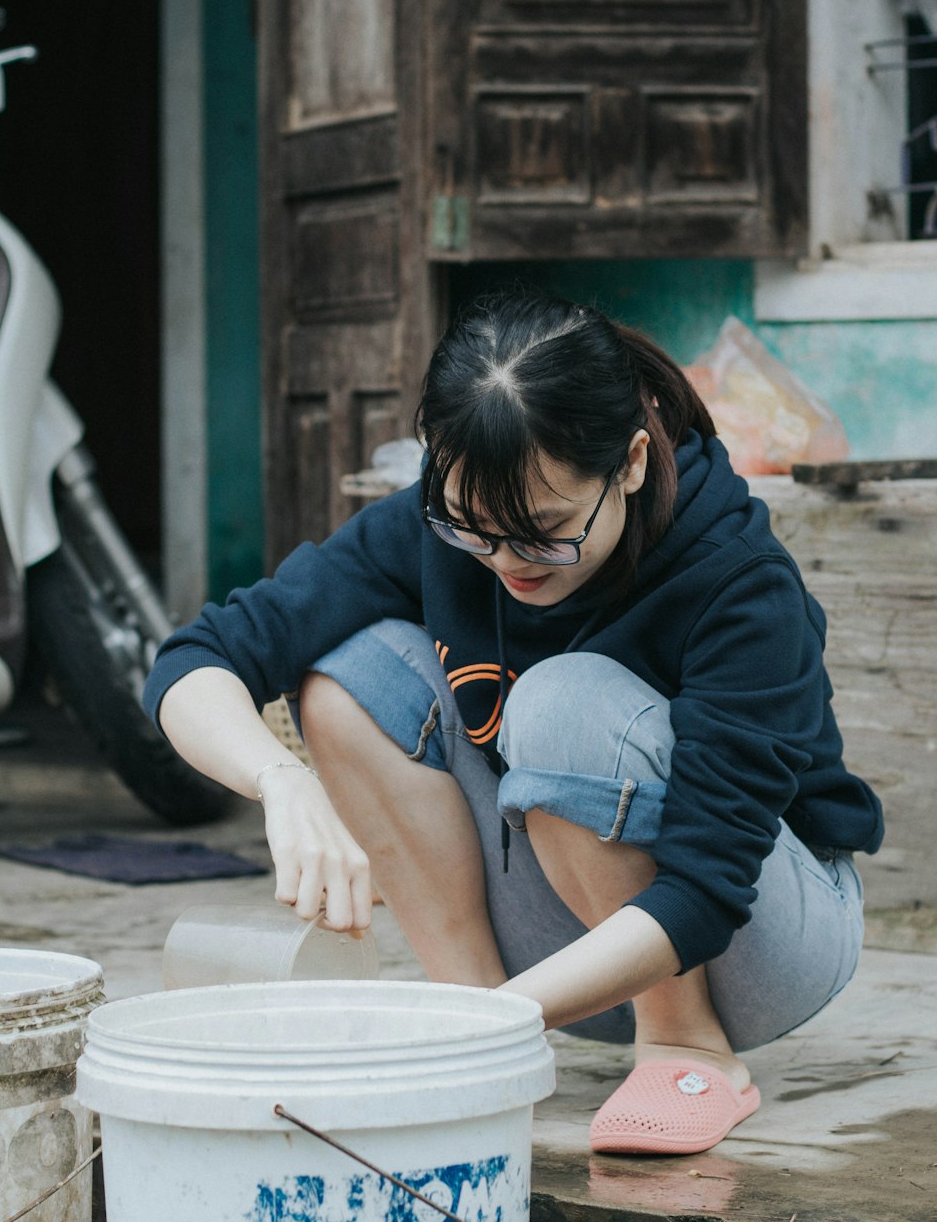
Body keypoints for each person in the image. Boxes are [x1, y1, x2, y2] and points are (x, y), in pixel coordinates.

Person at [146, 290, 882, 1157]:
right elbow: (195, 658)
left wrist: (460, 1026)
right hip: (572, 930)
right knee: (339, 682)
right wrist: (280, 780)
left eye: (545, 533)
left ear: (634, 464)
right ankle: (475, 1015)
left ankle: (685, 1048)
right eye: (474, 533)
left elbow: (706, 890)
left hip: (756, 935)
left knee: (564, 702)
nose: (505, 564)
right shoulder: (446, 522)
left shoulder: (738, 580)